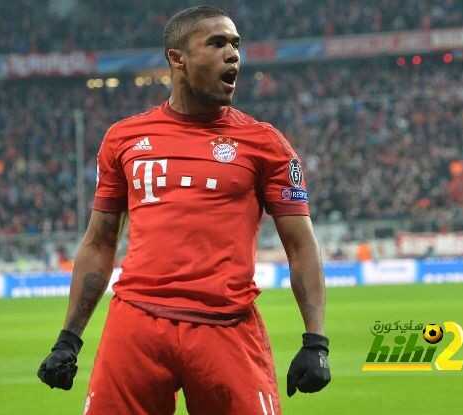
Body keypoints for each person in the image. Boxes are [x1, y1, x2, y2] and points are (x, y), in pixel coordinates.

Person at [38, 6, 330, 414]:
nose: (233, 54)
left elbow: (301, 246)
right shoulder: (124, 139)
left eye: (236, 44)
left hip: (226, 327)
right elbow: (99, 241)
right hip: (136, 324)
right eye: (217, 43)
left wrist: (316, 340)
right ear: (178, 59)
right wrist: (69, 338)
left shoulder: (266, 144)